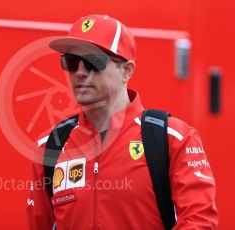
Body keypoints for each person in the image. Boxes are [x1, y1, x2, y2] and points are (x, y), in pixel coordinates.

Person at [26, 14, 218, 229]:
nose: (80, 72)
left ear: (126, 70)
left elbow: (199, 221)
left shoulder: (172, 137)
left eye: (92, 61)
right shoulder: (50, 145)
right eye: (71, 61)